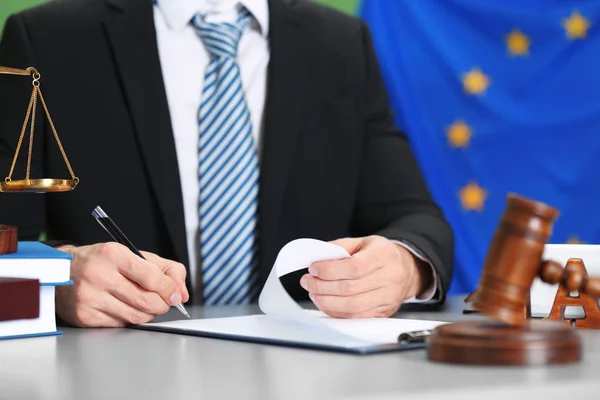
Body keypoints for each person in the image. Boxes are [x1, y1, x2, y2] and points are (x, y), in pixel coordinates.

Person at [0, 0, 454, 328]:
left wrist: (401, 266)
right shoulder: (47, 39)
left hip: (306, 369)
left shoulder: (340, 42)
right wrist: (58, 280)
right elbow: (5, 236)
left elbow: (416, 219)